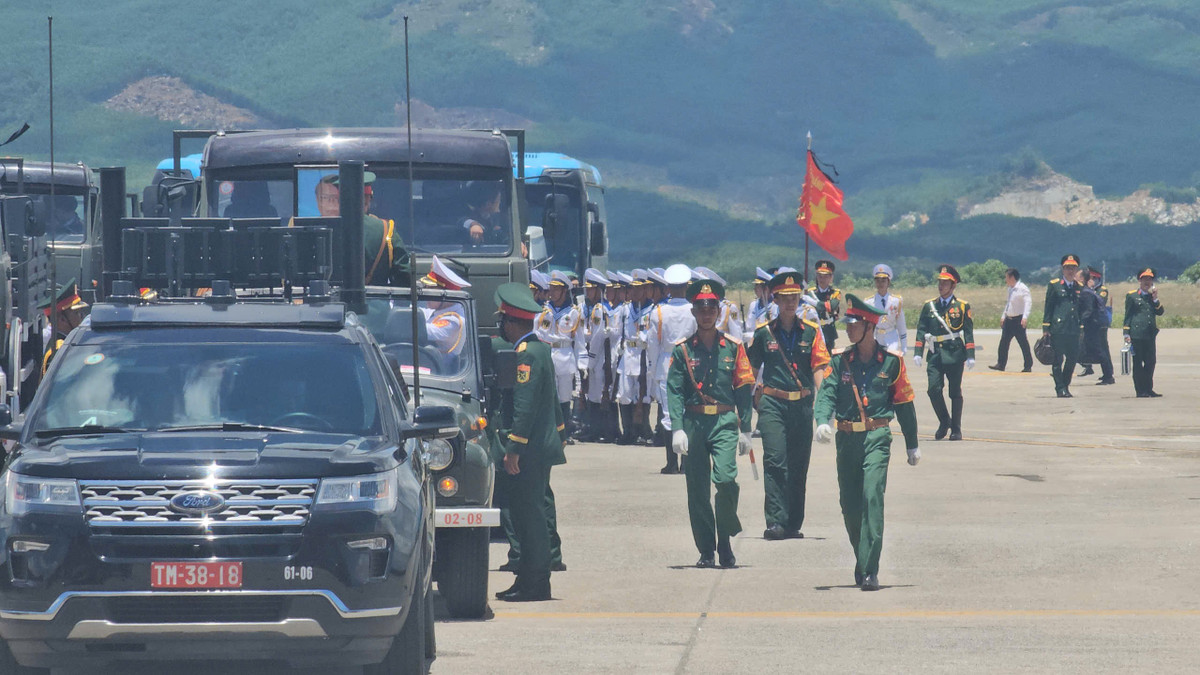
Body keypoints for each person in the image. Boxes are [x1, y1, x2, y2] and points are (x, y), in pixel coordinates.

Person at [814, 294, 920, 591]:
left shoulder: (891, 363)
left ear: (870, 327)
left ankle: (870, 569)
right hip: (847, 438)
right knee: (850, 505)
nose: (848, 329)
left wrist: (912, 443)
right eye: (847, 323)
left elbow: (904, 403)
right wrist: (822, 420)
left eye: (854, 324)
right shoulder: (840, 361)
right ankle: (862, 560)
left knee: (872, 496)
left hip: (877, 436)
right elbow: (828, 393)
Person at [668, 279, 755, 568]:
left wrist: (746, 430)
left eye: (712, 308)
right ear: (693, 311)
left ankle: (725, 540)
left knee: (726, 480)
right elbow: (675, 390)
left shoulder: (733, 347)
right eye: (701, 308)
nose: (706, 314)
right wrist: (677, 427)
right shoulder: (682, 351)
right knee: (698, 490)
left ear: (719, 312)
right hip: (693, 422)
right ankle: (707, 550)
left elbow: (743, 388)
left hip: (724, 422)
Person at [492, 283, 568, 602]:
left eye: (503, 322)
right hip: (537, 448)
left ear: (511, 322)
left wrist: (514, 449)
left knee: (530, 517)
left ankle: (536, 581)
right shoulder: (538, 350)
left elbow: (524, 409)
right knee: (525, 515)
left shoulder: (527, 356)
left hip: (530, 451)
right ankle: (526, 578)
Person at [747, 270, 829, 540]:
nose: (790, 303)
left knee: (797, 464)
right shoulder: (763, 334)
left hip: (803, 405)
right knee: (775, 460)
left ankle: (793, 522)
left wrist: (824, 409)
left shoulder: (811, 332)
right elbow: (748, 371)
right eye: (784, 298)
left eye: (794, 298)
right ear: (775, 299)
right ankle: (775, 521)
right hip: (772, 403)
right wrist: (742, 409)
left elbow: (819, 367)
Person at [913, 264, 974, 440]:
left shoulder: (962, 306)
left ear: (953, 286)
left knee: (954, 392)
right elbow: (921, 330)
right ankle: (944, 420)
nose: (941, 286)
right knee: (933, 389)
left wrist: (970, 355)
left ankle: (956, 428)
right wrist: (918, 351)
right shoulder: (929, 306)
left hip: (954, 353)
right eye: (940, 282)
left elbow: (968, 332)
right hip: (935, 354)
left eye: (945, 283)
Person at [316, 172, 410, 286]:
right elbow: (404, 278)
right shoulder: (385, 229)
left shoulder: (318, 229)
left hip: (325, 303)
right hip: (374, 302)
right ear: (367, 200)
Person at [647, 264, 697, 474]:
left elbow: (652, 346)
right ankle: (686, 462)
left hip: (666, 361)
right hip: (688, 361)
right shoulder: (693, 310)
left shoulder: (658, 312)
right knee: (686, 411)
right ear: (687, 286)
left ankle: (671, 463)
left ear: (668, 287)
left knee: (668, 413)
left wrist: (653, 371)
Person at [536, 271, 582, 439]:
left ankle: (564, 433)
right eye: (551, 289)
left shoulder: (574, 312)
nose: (552, 292)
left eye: (556, 289)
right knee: (549, 396)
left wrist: (582, 364)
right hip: (549, 354)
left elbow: (579, 341)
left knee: (564, 397)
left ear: (564, 291)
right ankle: (550, 432)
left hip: (565, 355)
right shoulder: (544, 311)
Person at [1042, 254, 1084, 398]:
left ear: (1076, 269)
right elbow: (1048, 307)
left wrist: (1082, 327)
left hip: (1073, 329)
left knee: (1072, 359)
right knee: (1057, 360)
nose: (1070, 271)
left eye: (1072, 268)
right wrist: (1046, 328)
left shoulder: (1080, 287)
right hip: (1058, 328)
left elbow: (1081, 309)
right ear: (1062, 269)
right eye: (1067, 268)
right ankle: (1060, 388)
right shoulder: (1054, 285)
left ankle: (1065, 385)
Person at [418, 256, 471, 370]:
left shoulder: (454, 321)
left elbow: (418, 330)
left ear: (445, 294)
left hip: (442, 374)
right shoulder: (440, 309)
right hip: (428, 366)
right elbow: (419, 313)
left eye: (430, 289)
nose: (425, 294)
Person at [577, 268, 611, 442]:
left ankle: (600, 430)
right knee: (593, 392)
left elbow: (597, 336)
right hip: (594, 355)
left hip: (598, 356)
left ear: (598, 290)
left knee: (598, 393)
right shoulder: (592, 307)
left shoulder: (599, 309)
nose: (587, 291)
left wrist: (589, 360)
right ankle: (594, 429)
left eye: (590, 288)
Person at [1124, 267, 1165, 397]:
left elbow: (1160, 312)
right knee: (1138, 363)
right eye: (1144, 279)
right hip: (1136, 334)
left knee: (1150, 362)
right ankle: (1140, 390)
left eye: (1150, 279)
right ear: (1139, 280)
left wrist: (1155, 299)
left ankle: (1148, 388)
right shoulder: (1132, 296)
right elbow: (1128, 315)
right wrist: (1126, 333)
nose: (1147, 281)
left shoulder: (1152, 298)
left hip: (1149, 334)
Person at [40, 279, 89, 376]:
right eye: (76, 313)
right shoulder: (59, 351)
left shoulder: (66, 344)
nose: (81, 317)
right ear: (62, 319)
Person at [989, 267, 1033, 372]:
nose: (1005, 280)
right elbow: (1009, 304)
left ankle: (1028, 365)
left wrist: (1025, 317)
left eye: (1007, 277)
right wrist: (1003, 316)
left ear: (1012, 277)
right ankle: (1001, 364)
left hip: (1018, 320)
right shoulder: (1010, 289)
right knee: (1004, 342)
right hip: (1009, 320)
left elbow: (1028, 303)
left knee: (1023, 343)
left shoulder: (1023, 288)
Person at [867, 264, 907, 354]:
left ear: (888, 282)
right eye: (878, 281)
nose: (880, 284)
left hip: (891, 338)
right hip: (876, 338)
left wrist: (904, 346)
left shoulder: (896, 301)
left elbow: (901, 325)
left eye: (883, 281)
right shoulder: (869, 302)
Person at [805, 259, 842, 350]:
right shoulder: (810, 293)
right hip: (814, 330)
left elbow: (831, 307)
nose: (822, 279)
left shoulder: (835, 293)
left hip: (829, 332)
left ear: (831, 278)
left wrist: (814, 302)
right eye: (820, 276)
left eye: (826, 276)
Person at [462, 180, 506, 246]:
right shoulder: (469, 215)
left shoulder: (495, 219)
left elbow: (503, 235)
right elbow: (461, 221)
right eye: (497, 203)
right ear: (488, 204)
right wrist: (473, 225)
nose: (499, 208)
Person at [745, 266, 774, 343]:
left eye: (758, 287)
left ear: (766, 288)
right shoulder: (753, 305)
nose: (755, 289)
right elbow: (749, 326)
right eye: (755, 286)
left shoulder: (774, 306)